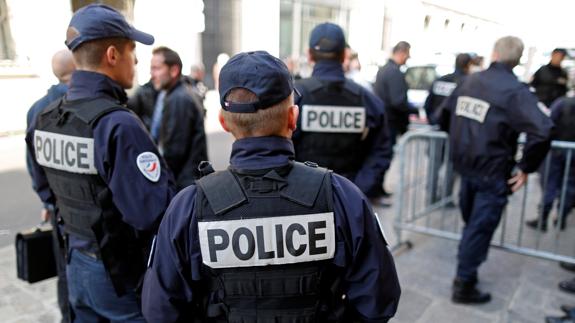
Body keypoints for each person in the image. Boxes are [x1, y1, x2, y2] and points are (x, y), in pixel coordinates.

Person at [141, 50, 401, 322]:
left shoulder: (188, 208)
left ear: (223, 122)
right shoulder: (342, 197)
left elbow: (160, 311)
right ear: (293, 118)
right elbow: (380, 301)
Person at [25, 4, 176, 321]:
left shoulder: (46, 117)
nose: (136, 61)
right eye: (132, 50)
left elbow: (44, 188)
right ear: (112, 55)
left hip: (75, 263)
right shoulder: (118, 125)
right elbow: (152, 214)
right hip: (118, 274)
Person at [435, 36, 553, 304]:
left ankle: (467, 272)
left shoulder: (469, 81)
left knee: (473, 226)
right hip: (490, 172)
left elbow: (441, 117)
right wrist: (526, 167)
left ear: (494, 54)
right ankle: (463, 284)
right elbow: (544, 129)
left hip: (468, 168)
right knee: (478, 228)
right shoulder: (514, 90)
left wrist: (460, 139)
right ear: (518, 59)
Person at [292, 22, 392, 200]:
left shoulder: (294, 96)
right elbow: (382, 150)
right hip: (350, 199)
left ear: (309, 55)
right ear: (345, 55)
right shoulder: (366, 99)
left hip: (301, 198)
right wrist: (358, 190)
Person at [25, 49, 75, 323]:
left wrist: (48, 201)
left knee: (64, 271)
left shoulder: (36, 109)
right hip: (85, 214)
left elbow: (34, 165)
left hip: (58, 208)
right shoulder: (81, 103)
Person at [129, 46, 208, 190]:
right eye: (151, 68)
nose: (152, 74)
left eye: (157, 68)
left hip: (183, 185)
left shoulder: (179, 99)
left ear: (174, 71)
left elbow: (173, 152)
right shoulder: (170, 93)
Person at [424, 53, 472, 205]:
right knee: (451, 167)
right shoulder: (467, 83)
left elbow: (428, 104)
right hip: (454, 133)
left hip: (437, 130)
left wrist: (433, 121)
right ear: (467, 65)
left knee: (434, 165)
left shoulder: (441, 80)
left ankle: (431, 197)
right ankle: (446, 199)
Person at [526, 96, 575, 231]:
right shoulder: (562, 103)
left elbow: (547, 123)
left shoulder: (562, 103)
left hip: (556, 150)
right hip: (569, 152)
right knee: (569, 185)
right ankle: (561, 217)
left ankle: (543, 218)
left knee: (550, 184)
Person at [374, 41, 416, 147]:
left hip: (384, 122)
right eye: (407, 54)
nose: (408, 57)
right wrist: (413, 110)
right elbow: (398, 102)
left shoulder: (384, 70)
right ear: (402, 53)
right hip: (390, 123)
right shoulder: (394, 72)